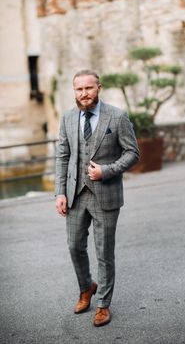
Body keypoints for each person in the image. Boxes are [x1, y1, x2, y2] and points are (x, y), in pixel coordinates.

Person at [55, 70, 139, 327]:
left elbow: (133, 153)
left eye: (89, 88)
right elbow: (62, 156)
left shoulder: (117, 116)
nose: (84, 94)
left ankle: (102, 304)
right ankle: (86, 288)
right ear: (74, 91)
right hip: (75, 195)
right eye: (79, 89)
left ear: (98, 88)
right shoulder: (68, 118)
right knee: (74, 246)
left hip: (106, 194)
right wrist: (60, 191)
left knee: (104, 253)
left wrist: (106, 170)